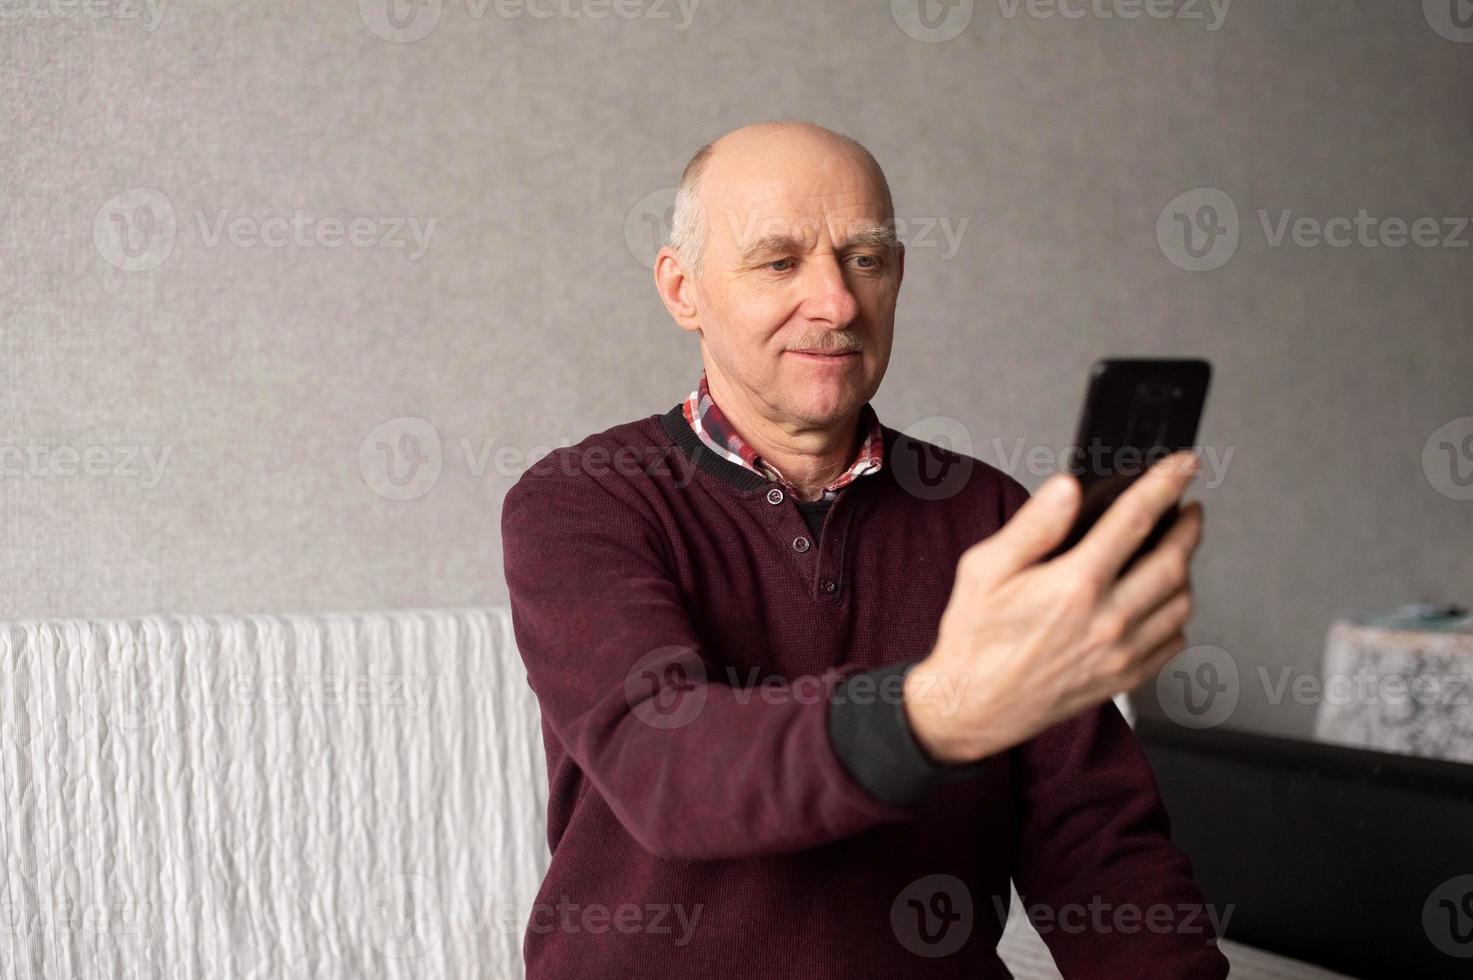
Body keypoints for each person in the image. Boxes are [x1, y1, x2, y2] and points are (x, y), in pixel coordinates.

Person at [500, 120, 1228, 978]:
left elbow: (1094, 838)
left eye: (866, 260)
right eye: (779, 262)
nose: (837, 303)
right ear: (682, 288)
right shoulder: (583, 499)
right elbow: (668, 767)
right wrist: (945, 707)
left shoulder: (990, 513)